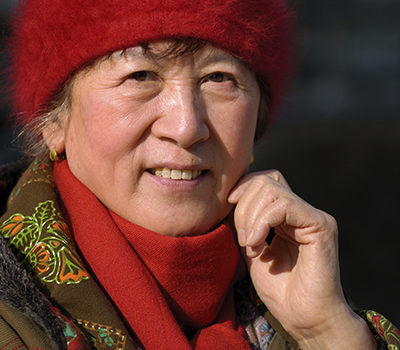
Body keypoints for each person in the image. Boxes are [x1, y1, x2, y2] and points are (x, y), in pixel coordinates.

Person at [0, 0, 398, 349]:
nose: (187, 126)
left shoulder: (292, 283)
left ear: (257, 120)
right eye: (141, 76)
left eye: (219, 78)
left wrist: (327, 333)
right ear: (53, 121)